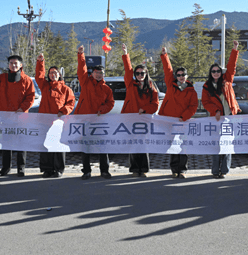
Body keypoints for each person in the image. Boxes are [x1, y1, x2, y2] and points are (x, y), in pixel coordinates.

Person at [0, 55, 35, 177]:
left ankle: (21, 168)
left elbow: (31, 97)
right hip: (5, 117)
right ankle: (5, 168)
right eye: (11, 63)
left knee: (21, 144)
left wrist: (21, 109)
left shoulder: (27, 80)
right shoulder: (3, 78)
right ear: (8, 65)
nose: (13, 65)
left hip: (20, 117)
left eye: (16, 63)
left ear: (20, 65)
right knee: (6, 143)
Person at [201, 40, 241, 178]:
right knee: (216, 145)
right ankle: (215, 170)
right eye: (213, 71)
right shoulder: (207, 86)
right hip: (216, 119)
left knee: (227, 145)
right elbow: (205, 102)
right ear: (210, 73)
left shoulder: (227, 80)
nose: (216, 73)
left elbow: (232, 66)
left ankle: (224, 170)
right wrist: (215, 111)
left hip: (229, 118)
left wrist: (235, 49)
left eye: (218, 71)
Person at [75, 45, 115, 180]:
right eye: (97, 72)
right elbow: (81, 70)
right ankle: (86, 171)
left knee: (102, 148)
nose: (99, 75)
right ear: (92, 73)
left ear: (104, 75)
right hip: (84, 121)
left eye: (101, 73)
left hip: (99, 121)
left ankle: (105, 171)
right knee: (86, 148)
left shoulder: (107, 89)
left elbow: (111, 103)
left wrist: (102, 110)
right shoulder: (85, 82)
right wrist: (81, 55)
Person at [159, 47, 199, 178]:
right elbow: (167, 70)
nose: (181, 77)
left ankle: (182, 170)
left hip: (183, 121)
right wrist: (165, 55)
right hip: (170, 121)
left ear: (186, 76)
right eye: (179, 75)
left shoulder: (191, 91)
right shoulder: (171, 85)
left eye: (183, 75)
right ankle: (174, 169)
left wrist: (184, 116)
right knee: (173, 146)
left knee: (183, 146)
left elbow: (193, 106)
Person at [121, 44, 160, 177]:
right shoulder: (130, 84)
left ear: (146, 73)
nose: (139, 75)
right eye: (137, 73)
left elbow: (155, 104)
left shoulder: (151, 86)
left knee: (143, 145)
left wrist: (144, 110)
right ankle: (134, 169)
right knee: (133, 145)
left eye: (142, 73)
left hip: (144, 120)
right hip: (131, 119)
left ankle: (143, 169)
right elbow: (127, 69)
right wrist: (126, 54)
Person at [35, 53, 75, 178]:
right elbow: (38, 76)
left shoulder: (66, 89)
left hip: (58, 121)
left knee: (58, 146)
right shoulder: (45, 86)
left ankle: (58, 169)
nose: (53, 75)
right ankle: (47, 169)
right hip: (44, 121)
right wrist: (40, 62)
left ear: (59, 75)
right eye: (51, 73)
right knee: (45, 145)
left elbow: (71, 103)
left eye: (55, 73)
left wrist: (63, 111)